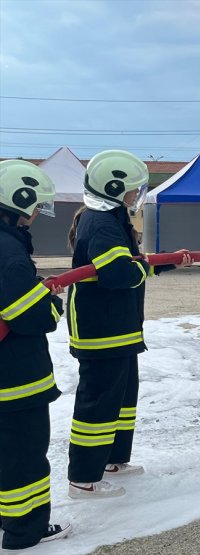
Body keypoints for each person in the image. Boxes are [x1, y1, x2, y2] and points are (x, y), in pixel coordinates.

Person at [66, 150, 192, 498]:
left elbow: (132, 263)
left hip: (118, 328)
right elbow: (120, 273)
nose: (137, 196)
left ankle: (112, 460)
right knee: (99, 401)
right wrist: (143, 267)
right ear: (114, 187)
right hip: (100, 330)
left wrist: (166, 263)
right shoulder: (101, 224)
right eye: (133, 189)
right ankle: (83, 477)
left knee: (121, 399)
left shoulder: (114, 219)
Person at [0, 160, 71, 549]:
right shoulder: (9, 251)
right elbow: (29, 315)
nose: (34, 216)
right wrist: (50, 304)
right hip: (16, 380)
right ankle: (25, 530)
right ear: (19, 203)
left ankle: (10, 519)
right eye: (33, 207)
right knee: (24, 457)